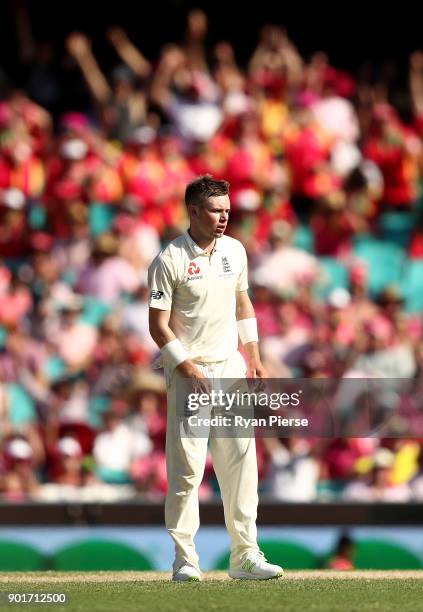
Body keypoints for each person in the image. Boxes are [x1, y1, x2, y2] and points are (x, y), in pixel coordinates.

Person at [148, 175, 284, 581]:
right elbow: (158, 326)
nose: (224, 217)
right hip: (191, 372)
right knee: (187, 469)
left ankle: (245, 555)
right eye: (215, 209)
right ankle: (185, 559)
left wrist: (254, 356)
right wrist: (186, 367)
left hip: (230, 369)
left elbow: (243, 303)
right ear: (193, 210)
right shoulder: (169, 259)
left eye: (226, 209)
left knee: (240, 464)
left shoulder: (235, 251)